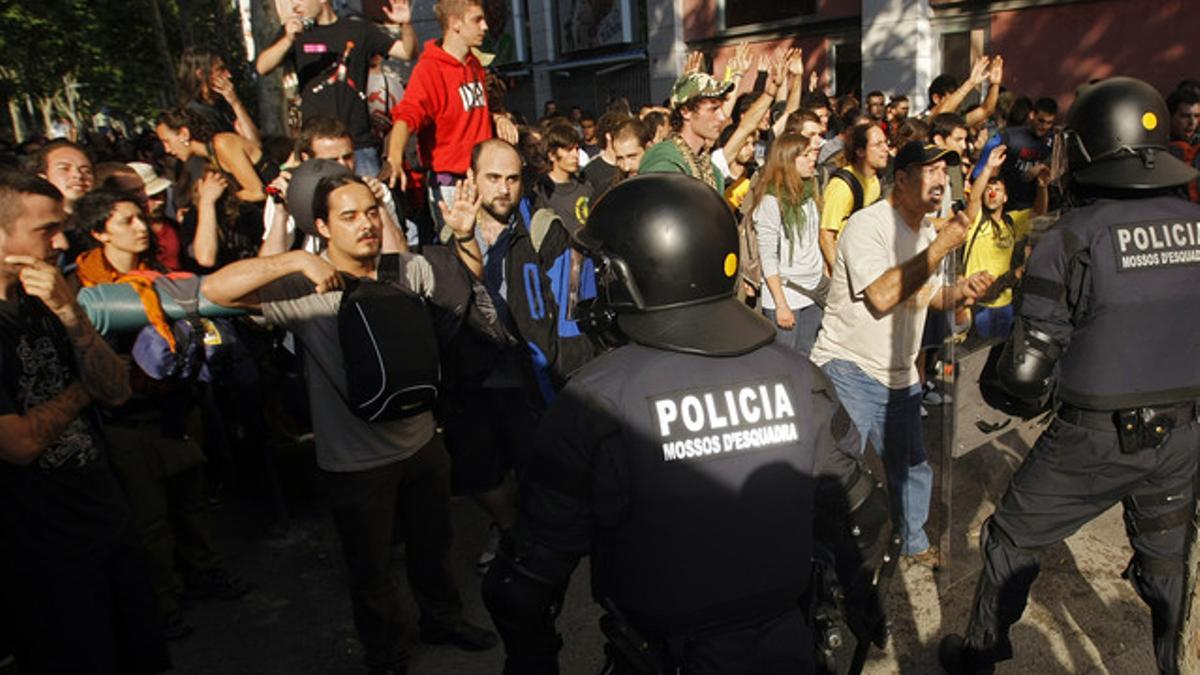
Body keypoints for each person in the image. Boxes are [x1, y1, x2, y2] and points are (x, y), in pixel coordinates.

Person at [482, 173, 892, 674]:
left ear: (632, 277)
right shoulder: (799, 377)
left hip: (659, 656)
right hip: (789, 647)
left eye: (600, 272)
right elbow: (864, 512)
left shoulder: (595, 402)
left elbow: (524, 582)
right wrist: (858, 605)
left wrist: (533, 661)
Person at [939, 76, 1200, 675]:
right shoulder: (1194, 224)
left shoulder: (1070, 238)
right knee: (1169, 566)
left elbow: (1027, 373)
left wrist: (995, 387)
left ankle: (980, 655)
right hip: (1184, 435)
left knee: (1011, 538)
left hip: (1093, 437)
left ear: (1086, 148)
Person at [201, 173, 496, 674]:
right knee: (371, 568)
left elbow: (469, 282)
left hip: (422, 445)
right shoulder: (303, 286)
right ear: (321, 225)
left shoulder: (403, 269)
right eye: (349, 216)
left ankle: (441, 621)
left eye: (370, 212)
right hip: (355, 462)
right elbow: (214, 288)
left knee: (433, 547)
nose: (366, 225)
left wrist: (465, 237)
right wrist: (298, 257)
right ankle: (385, 652)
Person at [0, 171, 170, 673]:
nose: (60, 242)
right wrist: (82, 392)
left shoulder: (51, 297)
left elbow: (116, 389)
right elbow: (21, 443)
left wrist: (70, 312)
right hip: (41, 556)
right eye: (45, 230)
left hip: (105, 524)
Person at [73, 190, 249, 639]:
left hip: (176, 406)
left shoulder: (162, 277)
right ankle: (162, 603)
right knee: (149, 519)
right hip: (127, 420)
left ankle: (205, 571)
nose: (142, 227)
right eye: (127, 220)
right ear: (98, 231)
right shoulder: (84, 290)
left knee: (191, 501)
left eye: (143, 218)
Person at [808, 141, 993, 569]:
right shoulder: (867, 226)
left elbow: (925, 296)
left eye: (943, 173)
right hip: (849, 367)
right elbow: (882, 294)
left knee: (912, 466)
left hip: (900, 374)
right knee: (841, 469)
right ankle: (831, 557)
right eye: (929, 172)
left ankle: (913, 541)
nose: (940, 181)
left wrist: (960, 292)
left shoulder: (926, 231)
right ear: (903, 179)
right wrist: (941, 247)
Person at [385, 0, 518, 220]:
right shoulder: (429, 70)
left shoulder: (473, 62)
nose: (485, 26)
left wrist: (497, 118)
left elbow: (467, 110)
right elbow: (406, 118)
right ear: (455, 23)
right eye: (477, 19)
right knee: (465, 252)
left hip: (483, 179)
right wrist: (395, 158)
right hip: (452, 186)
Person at [254, 0, 416, 177]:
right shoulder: (294, 33)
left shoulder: (359, 30)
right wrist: (288, 39)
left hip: (358, 146)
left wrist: (405, 25)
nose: (295, 6)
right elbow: (262, 67)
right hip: (318, 147)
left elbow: (407, 52)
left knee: (367, 198)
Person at [960, 144, 1048, 340]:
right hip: (977, 304)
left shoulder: (1011, 222)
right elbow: (974, 197)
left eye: (997, 190)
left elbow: (1039, 212)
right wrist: (989, 168)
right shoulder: (976, 220)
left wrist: (1042, 186)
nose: (991, 193)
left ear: (1005, 197)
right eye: (988, 189)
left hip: (1005, 304)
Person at [753, 132, 825, 356]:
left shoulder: (810, 190)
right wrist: (781, 304)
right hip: (787, 293)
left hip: (813, 290)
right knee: (786, 362)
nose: (812, 158)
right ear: (788, 160)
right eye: (805, 155)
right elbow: (768, 255)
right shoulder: (771, 201)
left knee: (809, 357)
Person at [638, 72, 733, 193]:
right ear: (685, 112)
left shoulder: (712, 171)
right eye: (713, 109)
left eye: (721, 108)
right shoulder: (664, 160)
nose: (722, 117)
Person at [818, 122, 887, 273]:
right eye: (878, 144)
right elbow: (826, 235)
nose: (886, 149)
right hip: (846, 271)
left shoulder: (879, 180)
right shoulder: (842, 186)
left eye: (885, 143)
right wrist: (841, 274)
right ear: (860, 151)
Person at [176, 46, 261, 147]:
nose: (228, 75)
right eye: (221, 70)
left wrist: (236, 104)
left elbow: (255, 142)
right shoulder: (194, 116)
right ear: (201, 74)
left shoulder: (225, 104)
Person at [532, 122, 593, 234]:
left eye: (577, 149)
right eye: (568, 150)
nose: (575, 155)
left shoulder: (586, 187)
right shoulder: (540, 192)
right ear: (551, 155)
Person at [1166, 87, 1200, 203]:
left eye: (1196, 116)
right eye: (1185, 116)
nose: (1192, 122)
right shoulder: (1158, 151)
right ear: (1170, 116)